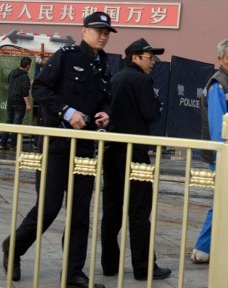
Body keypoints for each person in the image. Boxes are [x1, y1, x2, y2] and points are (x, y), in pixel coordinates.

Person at [2, 12, 114, 288]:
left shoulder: (104, 64)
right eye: (97, 30)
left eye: (107, 31)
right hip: (57, 145)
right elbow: (40, 89)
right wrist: (67, 111)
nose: (102, 35)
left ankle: (74, 272)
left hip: (85, 148)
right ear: (84, 30)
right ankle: (13, 248)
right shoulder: (66, 55)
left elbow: (106, 99)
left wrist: (104, 113)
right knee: (48, 208)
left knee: (80, 213)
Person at [101, 38, 172, 281]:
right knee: (140, 210)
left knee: (112, 208)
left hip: (112, 149)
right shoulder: (141, 80)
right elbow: (150, 113)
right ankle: (143, 266)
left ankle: (109, 263)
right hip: (135, 151)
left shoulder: (116, 77)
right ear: (134, 57)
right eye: (148, 57)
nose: (152, 62)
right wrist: (158, 107)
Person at [190, 38, 228, 264]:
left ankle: (219, 246)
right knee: (223, 200)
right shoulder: (218, 84)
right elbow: (216, 126)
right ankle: (202, 248)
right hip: (224, 154)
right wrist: (223, 155)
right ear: (220, 60)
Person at [0, 57, 32, 150]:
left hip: (10, 100)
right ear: (28, 66)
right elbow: (24, 91)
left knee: (8, 122)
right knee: (16, 124)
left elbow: (9, 82)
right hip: (19, 102)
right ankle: (13, 145)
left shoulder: (12, 72)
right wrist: (28, 104)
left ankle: (2, 143)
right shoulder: (25, 76)